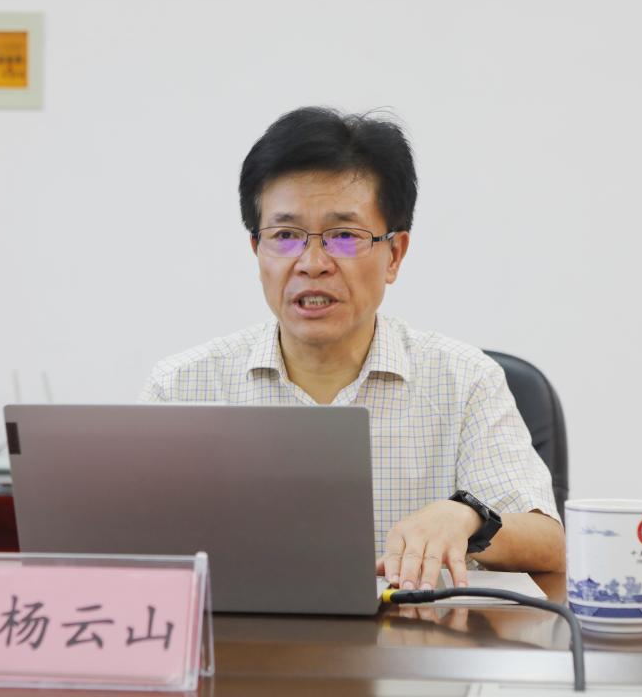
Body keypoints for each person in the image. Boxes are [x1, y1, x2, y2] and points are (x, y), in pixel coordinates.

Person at [140, 106, 564, 590]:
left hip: (417, 635)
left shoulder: (464, 379)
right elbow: (131, 549)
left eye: (343, 236)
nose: (312, 263)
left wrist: (468, 517)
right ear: (256, 251)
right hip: (237, 636)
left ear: (394, 254)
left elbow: (549, 544)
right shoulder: (181, 386)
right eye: (285, 236)